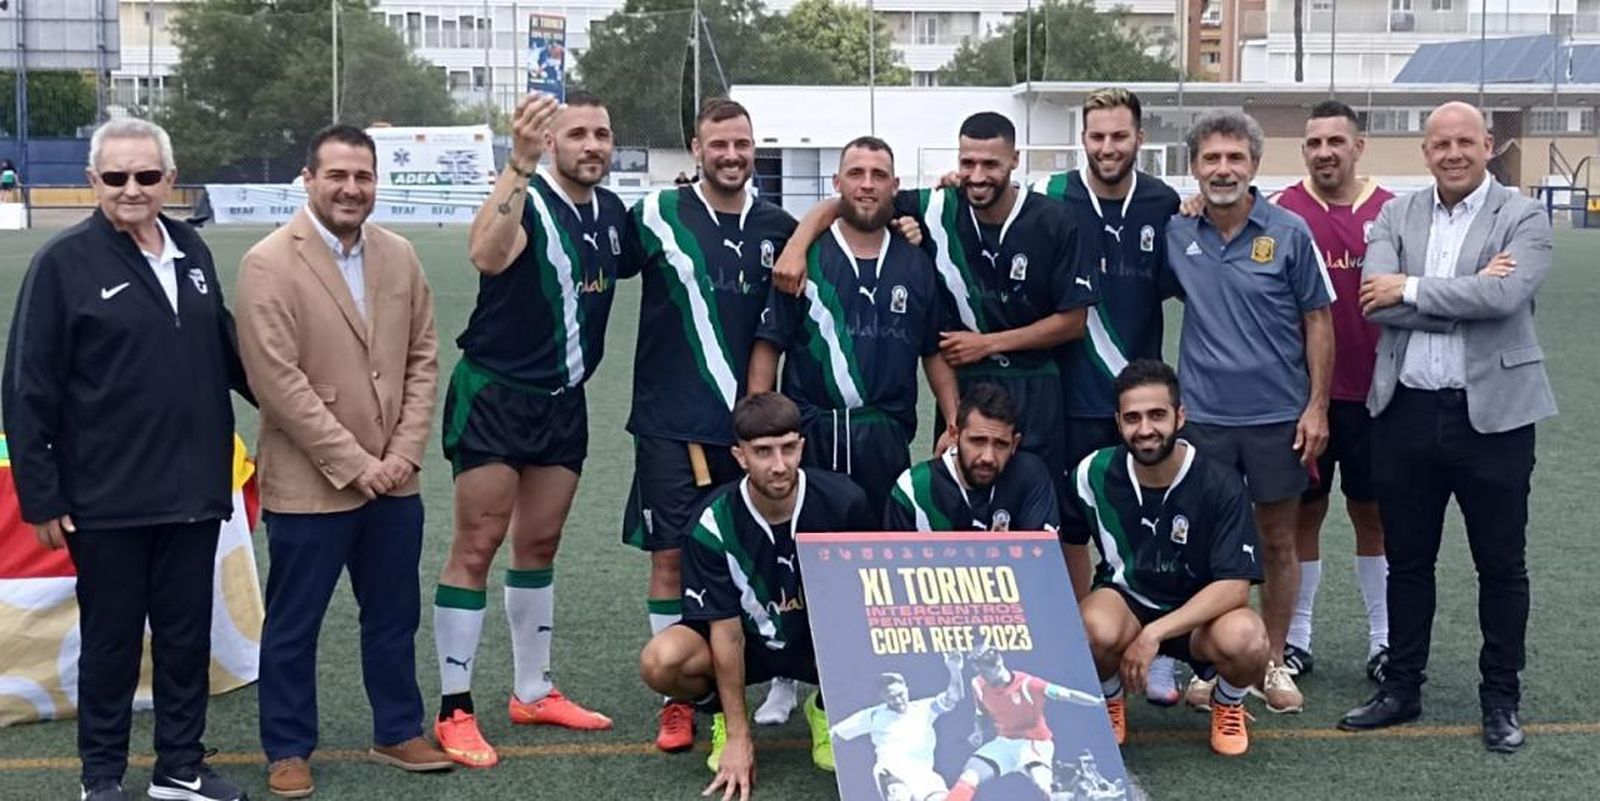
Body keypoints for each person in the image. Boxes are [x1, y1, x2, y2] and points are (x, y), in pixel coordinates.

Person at [3, 118, 250, 801]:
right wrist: (41, 495)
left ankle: (180, 767)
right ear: (94, 181)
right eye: (116, 177)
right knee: (111, 643)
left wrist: (300, 407)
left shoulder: (192, 248)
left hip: (194, 491)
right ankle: (102, 776)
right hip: (106, 498)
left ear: (170, 179)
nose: (131, 188)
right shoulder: (62, 263)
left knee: (184, 638)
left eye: (146, 175)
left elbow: (228, 351)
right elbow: (27, 387)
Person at [237, 124, 449, 798]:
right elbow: (277, 382)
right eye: (337, 175)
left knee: (393, 615)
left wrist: (403, 452)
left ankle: (398, 728)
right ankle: (288, 747)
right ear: (308, 179)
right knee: (294, 624)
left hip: (395, 482)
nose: (351, 188)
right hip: (311, 483)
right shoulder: (268, 262)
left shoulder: (400, 255)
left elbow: (422, 358)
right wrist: (358, 463)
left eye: (363, 176)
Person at [1339, 102, 1555, 754]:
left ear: (1488, 144)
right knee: (1408, 560)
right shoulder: (1394, 214)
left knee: (1501, 564)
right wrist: (1461, 292)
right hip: (1405, 412)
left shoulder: (1523, 215)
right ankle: (1401, 687)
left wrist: (1410, 289)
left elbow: (1504, 298)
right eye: (1441, 144)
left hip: (1495, 417)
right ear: (1425, 151)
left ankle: (1500, 698)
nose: (1453, 153)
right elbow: (1373, 300)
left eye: (1466, 141)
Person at [430, 91, 622, 768]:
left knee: (539, 544)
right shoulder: (529, 196)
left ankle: (533, 690)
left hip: (563, 403)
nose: (592, 145)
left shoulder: (611, 212)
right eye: (577, 134)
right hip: (497, 396)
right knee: (477, 544)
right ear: (552, 142)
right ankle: (454, 706)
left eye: (602, 133)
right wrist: (518, 162)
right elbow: (486, 254)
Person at [774, 112, 1097, 506]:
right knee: (955, 508)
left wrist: (988, 343)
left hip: (1035, 386)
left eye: (990, 164)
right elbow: (851, 202)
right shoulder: (935, 206)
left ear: (1015, 160)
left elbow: (1073, 322)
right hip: (965, 385)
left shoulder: (1054, 220)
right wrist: (796, 245)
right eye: (968, 163)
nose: (977, 175)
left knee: (1039, 507)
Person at [618, 98, 801, 747]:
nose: (731, 155)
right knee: (671, 557)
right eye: (718, 144)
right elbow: (596, 261)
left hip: (752, 430)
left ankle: (785, 677)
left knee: (772, 553)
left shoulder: (780, 226)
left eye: (741, 144)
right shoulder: (656, 213)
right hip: (671, 423)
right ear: (696, 149)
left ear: (755, 148)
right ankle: (679, 697)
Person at [1164, 110, 1333, 714]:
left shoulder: (1289, 231)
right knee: (1203, 544)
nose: (1223, 169)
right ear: (1194, 167)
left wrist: (1316, 407)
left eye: (1235, 157)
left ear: (1255, 164)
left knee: (1278, 540)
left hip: (1276, 418)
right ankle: (1207, 663)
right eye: (1211, 158)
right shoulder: (1177, 232)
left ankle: (1272, 659)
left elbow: (1319, 320)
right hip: (1203, 418)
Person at [637, 393, 876, 800]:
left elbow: (863, 601)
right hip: (747, 644)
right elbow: (726, 634)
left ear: (802, 446)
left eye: (788, 448)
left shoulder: (844, 502)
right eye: (763, 451)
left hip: (817, 644)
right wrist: (738, 735)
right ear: (740, 456)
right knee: (661, 660)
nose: (779, 465)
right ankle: (722, 716)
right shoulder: (712, 522)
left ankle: (826, 706)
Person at [1033, 86, 1184, 706]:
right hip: (1071, 394)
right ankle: (1083, 645)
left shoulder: (1164, 202)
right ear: (1083, 139)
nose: (1107, 146)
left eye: (1119, 135)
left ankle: (1160, 649)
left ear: (1139, 138)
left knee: (1151, 521)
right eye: (1097, 136)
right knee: (1074, 527)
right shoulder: (1052, 196)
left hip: (1140, 403)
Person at [1060, 359, 1270, 757]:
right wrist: (1075, 631)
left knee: (1248, 639)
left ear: (1180, 416)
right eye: (1132, 418)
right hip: (1127, 602)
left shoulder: (1219, 481)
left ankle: (1228, 703)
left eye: (1157, 415)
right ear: (1118, 422)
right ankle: (1109, 698)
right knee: (1089, 628)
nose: (1145, 429)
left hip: (1200, 616)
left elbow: (1234, 587)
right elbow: (1070, 543)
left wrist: (1152, 634)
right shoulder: (1091, 473)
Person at [749, 135, 959, 515]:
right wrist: (757, 423)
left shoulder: (917, 263)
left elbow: (933, 351)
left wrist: (954, 420)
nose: (867, 184)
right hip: (811, 436)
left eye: (879, 175)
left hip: (885, 438)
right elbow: (770, 343)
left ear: (894, 186)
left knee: (880, 543)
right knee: (808, 543)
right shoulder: (802, 257)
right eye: (856, 173)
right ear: (837, 182)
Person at [1270, 100, 1396, 682]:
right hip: (1302, 399)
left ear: (1358, 147)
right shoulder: (1282, 211)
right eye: (1314, 143)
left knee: (1373, 514)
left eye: (1336, 142)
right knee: (1304, 514)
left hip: (1377, 397)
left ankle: (1383, 640)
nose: (1325, 153)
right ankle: (1297, 639)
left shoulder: (1391, 211)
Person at [884, 383, 1058, 534]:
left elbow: (1041, 556)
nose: (988, 457)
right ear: (954, 435)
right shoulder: (914, 488)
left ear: (1014, 444)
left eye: (1001, 444)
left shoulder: (1030, 476)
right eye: (977, 441)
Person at [944, 649, 1104, 801]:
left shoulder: (1028, 684)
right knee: (969, 776)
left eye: (985, 672)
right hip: (1004, 744)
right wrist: (978, 731)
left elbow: (1067, 694)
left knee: (1044, 790)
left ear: (998, 665)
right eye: (979, 672)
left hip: (1034, 745)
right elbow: (980, 712)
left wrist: (1097, 702)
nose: (982, 676)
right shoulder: (978, 684)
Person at [829, 653, 966, 801]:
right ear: (882, 697)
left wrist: (954, 669)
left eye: (900, 694)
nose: (898, 700)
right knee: (900, 796)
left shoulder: (925, 708)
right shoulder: (872, 715)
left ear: (907, 689)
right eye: (891, 697)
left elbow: (954, 697)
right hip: (891, 773)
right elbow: (836, 734)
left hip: (924, 774)